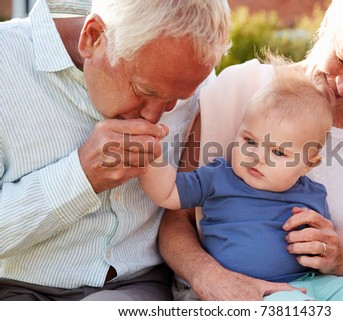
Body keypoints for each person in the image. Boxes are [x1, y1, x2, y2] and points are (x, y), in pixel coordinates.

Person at [158, 0, 343, 300]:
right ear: (328, 23)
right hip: (217, 296)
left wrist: (340, 261)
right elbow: (176, 218)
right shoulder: (239, 89)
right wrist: (211, 276)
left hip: (318, 295)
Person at [0, 0, 230, 301]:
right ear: (93, 37)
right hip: (15, 288)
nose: (154, 117)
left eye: (175, 101)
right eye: (145, 91)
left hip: (140, 289)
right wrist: (83, 175)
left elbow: (195, 209)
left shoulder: (192, 76)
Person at [141, 61, 343, 300]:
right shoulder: (218, 176)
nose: (257, 156)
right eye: (250, 141)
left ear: (308, 164)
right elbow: (168, 194)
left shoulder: (311, 193)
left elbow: (339, 238)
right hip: (249, 289)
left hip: (311, 282)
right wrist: (149, 158)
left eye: (278, 152)